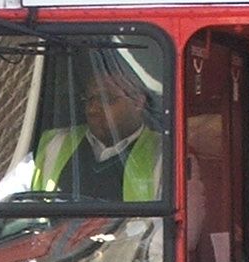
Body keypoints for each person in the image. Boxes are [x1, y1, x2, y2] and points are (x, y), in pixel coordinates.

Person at [28, 53, 165, 202]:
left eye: (105, 99)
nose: (92, 109)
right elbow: (10, 194)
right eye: (89, 99)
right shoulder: (55, 143)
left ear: (138, 101)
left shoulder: (162, 154)